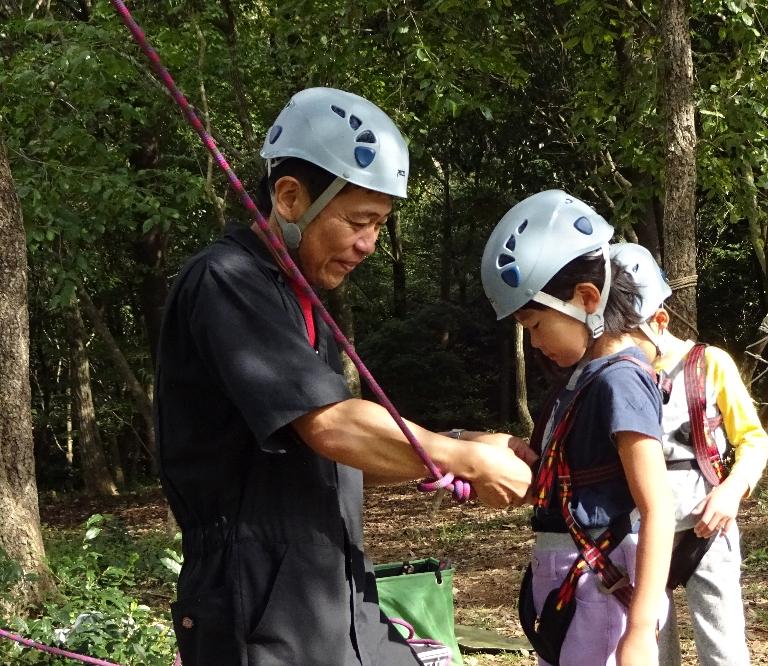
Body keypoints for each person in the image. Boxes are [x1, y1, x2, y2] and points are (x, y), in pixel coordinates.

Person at [155, 87, 533, 666]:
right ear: (288, 196)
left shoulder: (303, 303)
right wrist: (463, 461)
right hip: (258, 609)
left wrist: (458, 445)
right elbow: (330, 427)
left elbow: (334, 461)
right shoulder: (228, 282)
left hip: (337, 596)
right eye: (358, 220)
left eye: (380, 225)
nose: (369, 244)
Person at [480, 190, 675, 666]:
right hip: (573, 583)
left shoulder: (620, 381)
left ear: (587, 299)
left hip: (599, 587)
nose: (533, 340)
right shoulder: (580, 381)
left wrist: (641, 631)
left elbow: (659, 507)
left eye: (535, 323)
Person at [610, 243, 768, 666]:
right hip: (637, 537)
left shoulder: (710, 364)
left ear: (659, 320)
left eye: (627, 335)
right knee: (650, 647)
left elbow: (753, 440)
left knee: (723, 651)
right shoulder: (617, 378)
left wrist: (732, 490)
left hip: (707, 529)